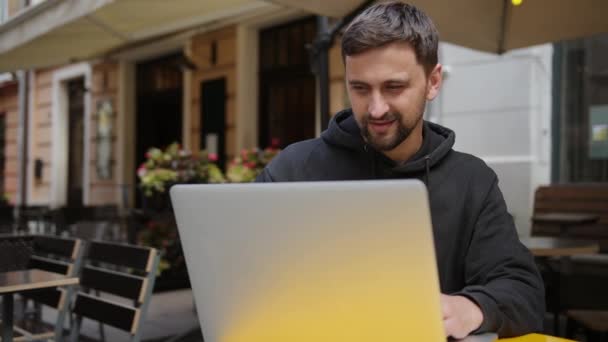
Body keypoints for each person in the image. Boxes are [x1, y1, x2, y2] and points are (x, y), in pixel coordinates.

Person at [256, 1, 544, 339]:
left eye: (394, 87)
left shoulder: (472, 181)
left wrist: (472, 308)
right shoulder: (293, 168)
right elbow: (239, 278)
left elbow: (524, 292)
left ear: (433, 81)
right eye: (360, 88)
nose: (376, 109)